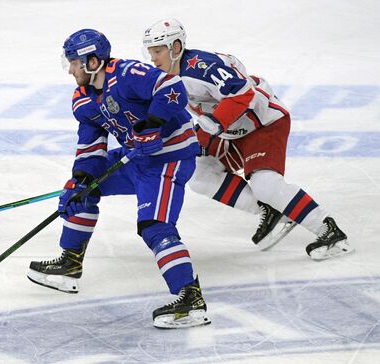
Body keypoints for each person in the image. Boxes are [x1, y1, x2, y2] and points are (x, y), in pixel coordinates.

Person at [27, 28, 210, 329]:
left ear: (93, 61)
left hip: (168, 159)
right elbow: (91, 144)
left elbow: (171, 87)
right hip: (135, 160)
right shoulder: (83, 98)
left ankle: (190, 298)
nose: (71, 69)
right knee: (81, 192)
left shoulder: (126, 73)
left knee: (155, 228)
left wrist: (153, 124)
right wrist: (81, 179)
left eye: (74, 62)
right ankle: (69, 264)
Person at [141, 19, 352, 260]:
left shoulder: (202, 68)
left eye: (157, 51)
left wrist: (218, 122)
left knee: (265, 185)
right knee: (199, 175)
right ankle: (270, 211)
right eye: (151, 52)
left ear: (176, 47)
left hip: (262, 121)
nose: (153, 58)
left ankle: (329, 231)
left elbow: (243, 93)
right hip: (228, 130)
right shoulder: (170, 75)